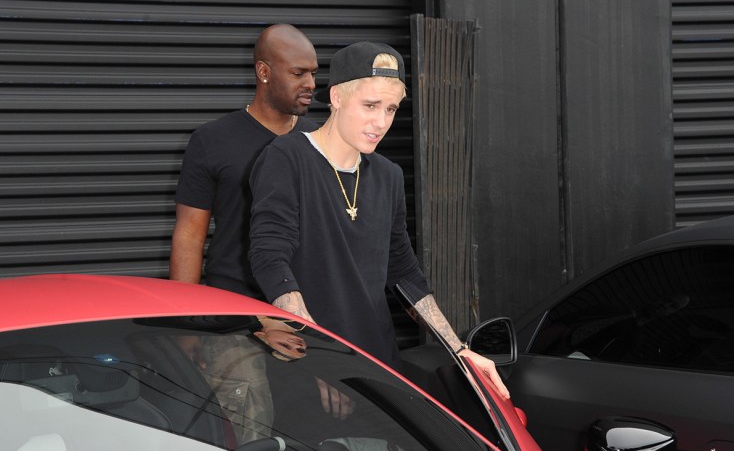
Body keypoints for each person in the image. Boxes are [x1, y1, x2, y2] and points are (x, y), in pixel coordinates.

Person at [249, 41, 510, 399]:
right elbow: (269, 258)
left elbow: (404, 273)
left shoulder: (387, 175)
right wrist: (320, 359)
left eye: (390, 109)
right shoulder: (288, 157)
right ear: (337, 97)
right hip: (310, 369)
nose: (381, 122)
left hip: (378, 364)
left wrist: (461, 352)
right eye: (370, 106)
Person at [170, 24, 319, 299]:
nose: (310, 83)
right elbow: (189, 236)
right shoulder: (212, 140)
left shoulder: (322, 139)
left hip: (308, 307)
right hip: (235, 308)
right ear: (263, 72)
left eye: (313, 73)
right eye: (298, 73)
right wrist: (184, 318)